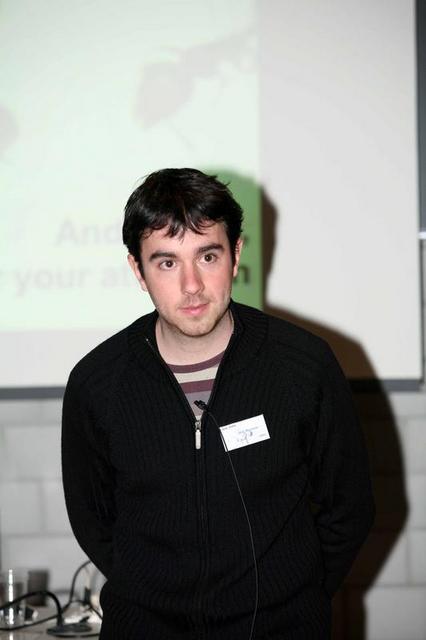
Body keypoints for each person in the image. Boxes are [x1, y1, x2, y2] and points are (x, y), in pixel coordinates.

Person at [62, 168, 375, 640]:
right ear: (138, 271)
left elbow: (349, 509)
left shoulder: (303, 365)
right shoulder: (97, 382)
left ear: (236, 256)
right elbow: (93, 521)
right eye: (167, 263)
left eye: (207, 256)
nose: (191, 285)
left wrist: (294, 599)